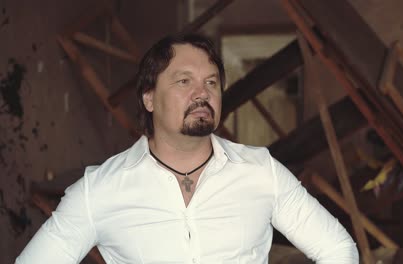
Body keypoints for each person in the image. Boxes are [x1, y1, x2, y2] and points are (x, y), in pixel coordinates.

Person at [16, 34, 358, 263]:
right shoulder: (100, 190)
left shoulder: (261, 172)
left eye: (211, 82)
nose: (202, 92)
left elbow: (338, 249)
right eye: (184, 81)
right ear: (149, 98)